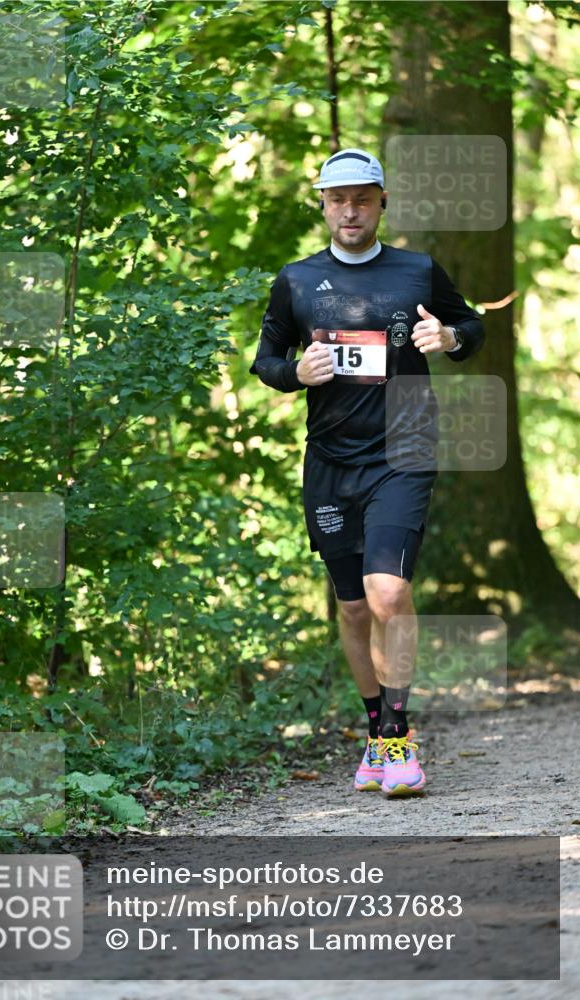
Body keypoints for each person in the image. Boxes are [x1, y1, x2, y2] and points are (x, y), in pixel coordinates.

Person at [249, 148, 484, 797]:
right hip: (329, 462)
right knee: (352, 609)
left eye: (361, 198)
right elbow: (265, 358)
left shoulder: (415, 271)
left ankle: (398, 738)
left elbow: (468, 325)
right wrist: (292, 373)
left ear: (382, 202)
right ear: (321, 205)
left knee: (387, 594)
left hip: (402, 453)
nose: (349, 209)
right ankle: (374, 734)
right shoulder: (296, 281)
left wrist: (452, 340)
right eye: (336, 199)